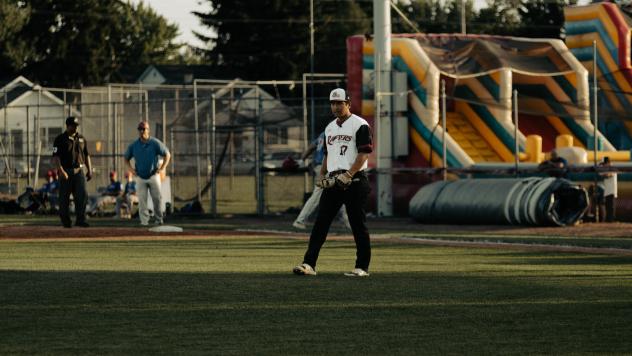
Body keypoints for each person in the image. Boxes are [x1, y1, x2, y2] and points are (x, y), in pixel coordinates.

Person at [293, 88, 373, 277]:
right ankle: (309, 264)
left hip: (355, 180)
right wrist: (322, 175)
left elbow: (364, 154)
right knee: (321, 222)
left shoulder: (360, 124)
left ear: (348, 104)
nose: (336, 106)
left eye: (339, 103)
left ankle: (362, 267)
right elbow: (328, 155)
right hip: (333, 180)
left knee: (357, 224)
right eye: (333, 103)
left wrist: (350, 174)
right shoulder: (329, 128)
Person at [292, 131, 350, 230]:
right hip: (326, 168)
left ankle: (347, 222)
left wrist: (302, 160)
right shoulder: (335, 134)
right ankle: (300, 220)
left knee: (339, 194)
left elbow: (312, 147)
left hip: (323, 167)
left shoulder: (323, 133)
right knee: (317, 196)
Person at [124, 121, 171, 226]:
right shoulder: (134, 145)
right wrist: (131, 170)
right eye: (140, 129)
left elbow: (167, 154)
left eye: (144, 129)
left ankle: (159, 219)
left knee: (157, 199)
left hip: (153, 175)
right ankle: (144, 222)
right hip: (140, 176)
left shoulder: (154, 143)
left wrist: (162, 168)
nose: (141, 131)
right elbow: (126, 158)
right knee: (142, 201)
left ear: (148, 130)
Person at [52, 116, 92, 228]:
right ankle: (66, 221)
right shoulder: (60, 139)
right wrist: (61, 170)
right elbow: (56, 157)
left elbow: (87, 155)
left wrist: (89, 170)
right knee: (64, 198)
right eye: (73, 126)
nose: (75, 128)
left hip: (79, 170)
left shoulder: (82, 139)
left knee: (82, 196)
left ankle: (81, 219)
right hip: (65, 171)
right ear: (67, 125)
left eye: (76, 126)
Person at [598, 156, 617, 222]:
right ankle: (608, 220)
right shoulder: (607, 169)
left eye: (604, 164)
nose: (603, 166)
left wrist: (603, 173)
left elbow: (608, 175)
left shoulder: (612, 168)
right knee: (608, 205)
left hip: (611, 190)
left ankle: (611, 220)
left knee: (611, 206)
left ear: (608, 163)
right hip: (607, 190)